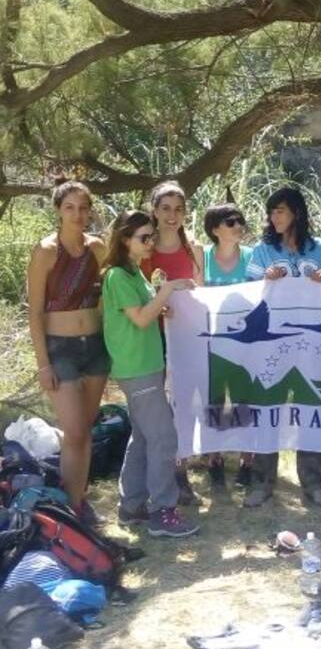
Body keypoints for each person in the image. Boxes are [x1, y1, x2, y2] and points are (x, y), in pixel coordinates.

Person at [100, 211, 199, 537]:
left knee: (142, 438)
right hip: (137, 369)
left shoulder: (134, 274)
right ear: (125, 239)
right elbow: (141, 319)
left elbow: (145, 312)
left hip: (147, 366)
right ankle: (162, 512)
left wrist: (163, 302)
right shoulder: (117, 275)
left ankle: (131, 507)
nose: (150, 243)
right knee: (163, 438)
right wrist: (167, 290)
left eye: (151, 237)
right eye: (144, 237)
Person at [243, 186, 321, 508]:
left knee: (310, 408)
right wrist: (265, 279)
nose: (274, 217)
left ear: (295, 212)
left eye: (279, 210)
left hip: (312, 345)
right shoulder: (262, 250)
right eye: (271, 212)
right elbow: (249, 293)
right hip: (272, 344)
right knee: (268, 408)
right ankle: (261, 482)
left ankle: (312, 482)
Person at [26, 181, 109, 524]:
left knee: (85, 430)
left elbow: (108, 296)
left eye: (83, 207)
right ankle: (70, 506)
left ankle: (77, 501)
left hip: (95, 347)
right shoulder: (46, 251)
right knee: (73, 431)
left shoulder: (98, 249)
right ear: (59, 210)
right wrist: (43, 364)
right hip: (60, 349)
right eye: (70, 207)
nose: (77, 214)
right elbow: (34, 312)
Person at [142, 181, 204, 506]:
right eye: (165, 208)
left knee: (185, 406)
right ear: (154, 210)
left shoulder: (194, 248)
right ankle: (160, 475)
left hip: (186, 337)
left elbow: (201, 295)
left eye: (178, 209)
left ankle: (182, 474)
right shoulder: (144, 251)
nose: (172, 215)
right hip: (152, 339)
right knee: (160, 410)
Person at [199, 203, 255, 488]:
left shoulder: (251, 257)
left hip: (245, 344)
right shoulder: (202, 257)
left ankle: (247, 462)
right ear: (215, 229)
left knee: (245, 400)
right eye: (231, 222)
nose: (238, 226)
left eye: (240, 221)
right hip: (211, 344)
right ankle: (214, 459)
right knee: (214, 403)